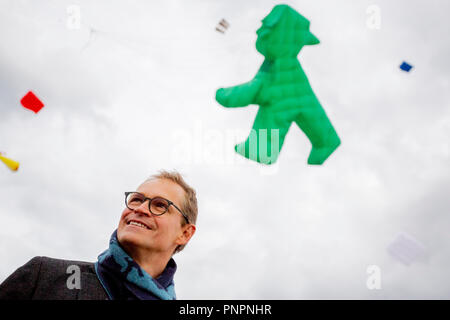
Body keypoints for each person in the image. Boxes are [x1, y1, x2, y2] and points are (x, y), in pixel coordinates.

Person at [0, 170, 197, 300]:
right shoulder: (43, 276)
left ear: (185, 233)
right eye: (136, 200)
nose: (141, 209)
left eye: (160, 205)